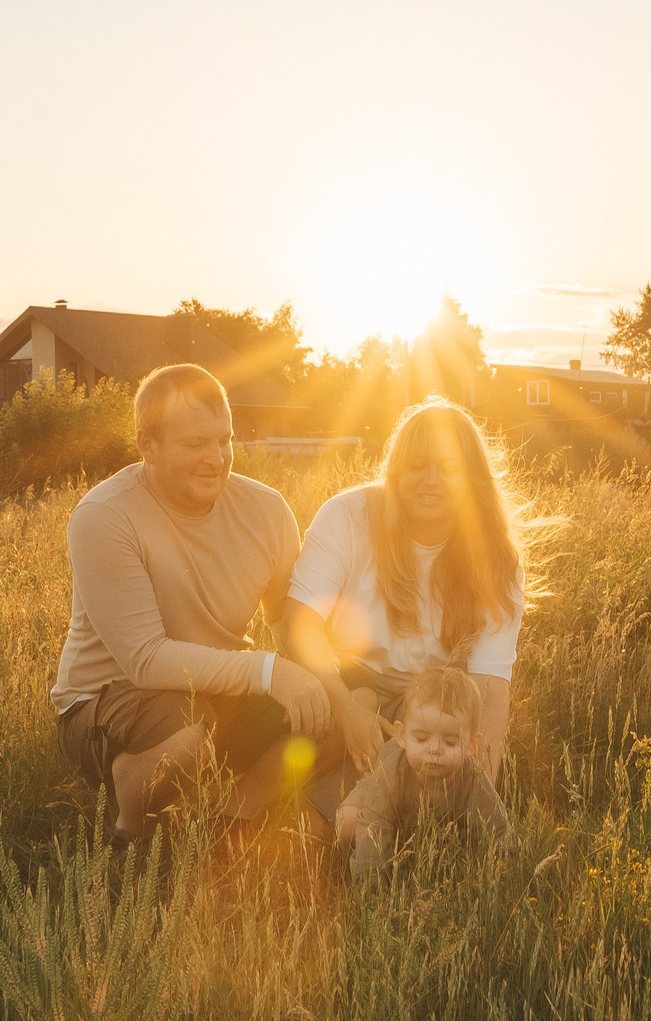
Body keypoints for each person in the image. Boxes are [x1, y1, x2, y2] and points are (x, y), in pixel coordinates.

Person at [53, 363, 337, 845]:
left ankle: (232, 821)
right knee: (185, 729)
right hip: (110, 699)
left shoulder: (266, 510)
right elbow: (145, 660)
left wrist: (329, 681)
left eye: (224, 440)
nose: (217, 457)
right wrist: (270, 672)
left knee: (328, 710)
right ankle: (131, 828)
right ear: (148, 445)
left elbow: (289, 624)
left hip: (218, 694)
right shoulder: (104, 517)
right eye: (196, 444)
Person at [282, 398, 529, 831]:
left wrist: (475, 795)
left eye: (448, 469)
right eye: (417, 465)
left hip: (429, 702)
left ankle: (368, 813)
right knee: (297, 776)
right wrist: (348, 709)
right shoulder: (348, 516)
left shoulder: (494, 557)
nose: (432, 481)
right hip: (338, 678)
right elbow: (300, 626)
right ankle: (243, 811)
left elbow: (489, 688)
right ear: (396, 469)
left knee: (345, 824)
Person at [335, 666, 514, 880]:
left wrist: (505, 873)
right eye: (421, 738)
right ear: (402, 735)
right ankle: (355, 860)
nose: (434, 749)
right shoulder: (390, 774)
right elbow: (373, 827)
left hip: (427, 825)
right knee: (347, 822)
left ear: (471, 745)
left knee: (447, 842)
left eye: (449, 742)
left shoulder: (472, 777)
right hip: (380, 802)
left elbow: (497, 830)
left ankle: (417, 845)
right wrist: (371, 889)